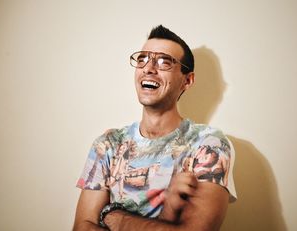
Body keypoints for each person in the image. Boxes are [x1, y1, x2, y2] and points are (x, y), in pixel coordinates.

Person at [73, 25, 237, 231]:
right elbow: (81, 228)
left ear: (187, 81)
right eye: (142, 59)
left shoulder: (208, 145)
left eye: (164, 61)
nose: (148, 68)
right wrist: (169, 211)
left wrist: (113, 216)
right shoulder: (107, 145)